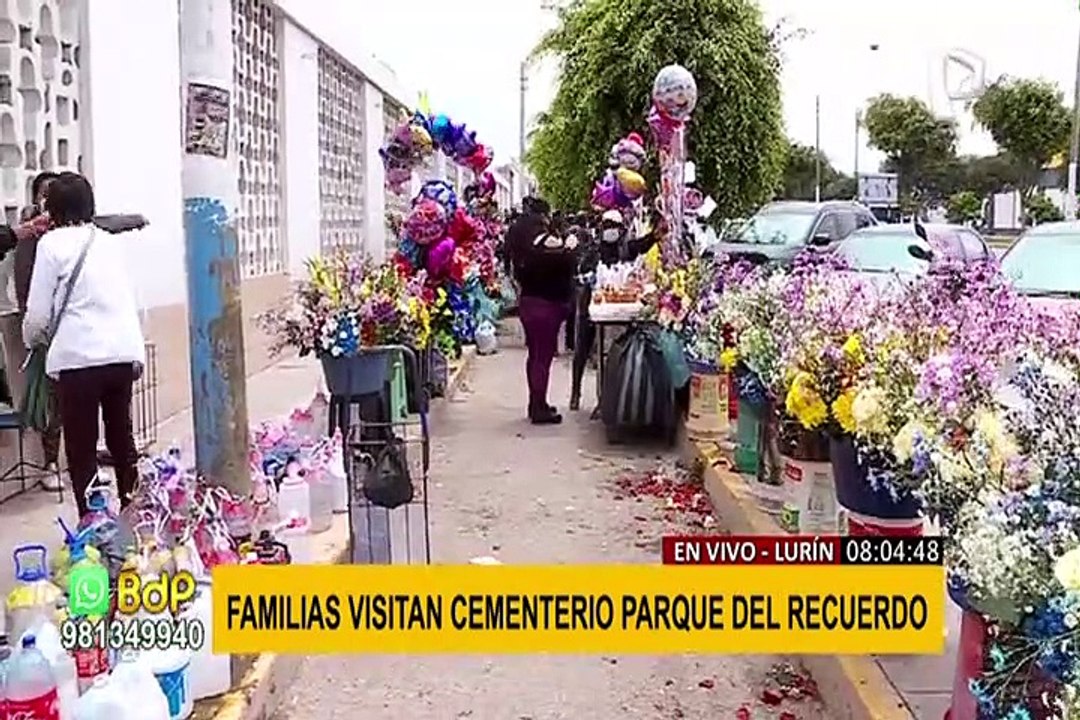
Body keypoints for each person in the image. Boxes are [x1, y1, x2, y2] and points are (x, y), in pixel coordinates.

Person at [23, 172, 145, 516]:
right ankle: (135, 512)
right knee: (122, 439)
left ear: (52, 207)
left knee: (82, 448)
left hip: (78, 359)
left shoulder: (51, 245)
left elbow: (37, 314)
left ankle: (93, 523)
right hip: (121, 354)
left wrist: (33, 342)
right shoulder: (107, 241)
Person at [569, 209, 658, 412]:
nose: (611, 231)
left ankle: (610, 398)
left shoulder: (625, 248)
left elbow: (642, 245)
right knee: (582, 348)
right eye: (607, 226)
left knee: (614, 352)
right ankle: (575, 392)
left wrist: (654, 235)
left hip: (616, 306)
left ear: (620, 229)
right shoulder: (592, 249)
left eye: (614, 227)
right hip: (589, 305)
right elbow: (581, 270)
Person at [506, 197, 576, 424]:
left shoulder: (520, 239)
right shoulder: (547, 243)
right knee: (542, 358)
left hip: (528, 302)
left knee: (535, 355)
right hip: (546, 305)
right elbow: (566, 265)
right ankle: (539, 408)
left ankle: (536, 402)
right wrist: (569, 251)